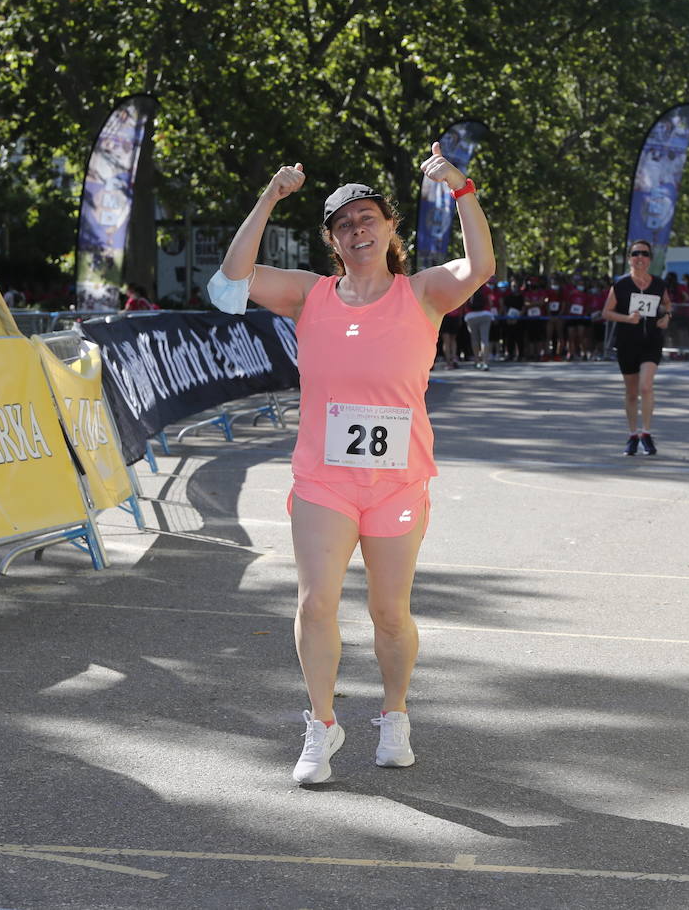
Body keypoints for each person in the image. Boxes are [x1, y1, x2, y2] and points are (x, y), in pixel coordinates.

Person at [208, 145, 494, 784]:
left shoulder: (422, 291)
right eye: (344, 225)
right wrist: (269, 197)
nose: (358, 230)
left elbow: (481, 264)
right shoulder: (310, 295)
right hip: (323, 480)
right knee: (315, 604)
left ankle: (394, 715)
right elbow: (228, 284)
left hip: (397, 482)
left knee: (390, 612)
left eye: (368, 219)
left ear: (390, 227)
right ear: (333, 241)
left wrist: (461, 188)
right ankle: (321, 725)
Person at [602, 239, 671, 455]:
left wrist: (666, 316)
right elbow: (606, 312)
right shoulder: (621, 285)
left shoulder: (659, 284)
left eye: (644, 254)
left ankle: (646, 433)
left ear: (650, 259)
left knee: (645, 386)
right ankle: (633, 435)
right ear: (630, 259)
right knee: (632, 392)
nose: (639, 257)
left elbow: (667, 304)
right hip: (627, 342)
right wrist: (627, 318)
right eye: (635, 254)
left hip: (651, 341)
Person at [463, 284, 495, 370]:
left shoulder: (469, 286)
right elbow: (491, 302)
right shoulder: (487, 288)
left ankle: (477, 362)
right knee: (484, 339)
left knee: (474, 339)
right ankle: (485, 363)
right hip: (485, 314)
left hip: (471, 316)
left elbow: (465, 303)